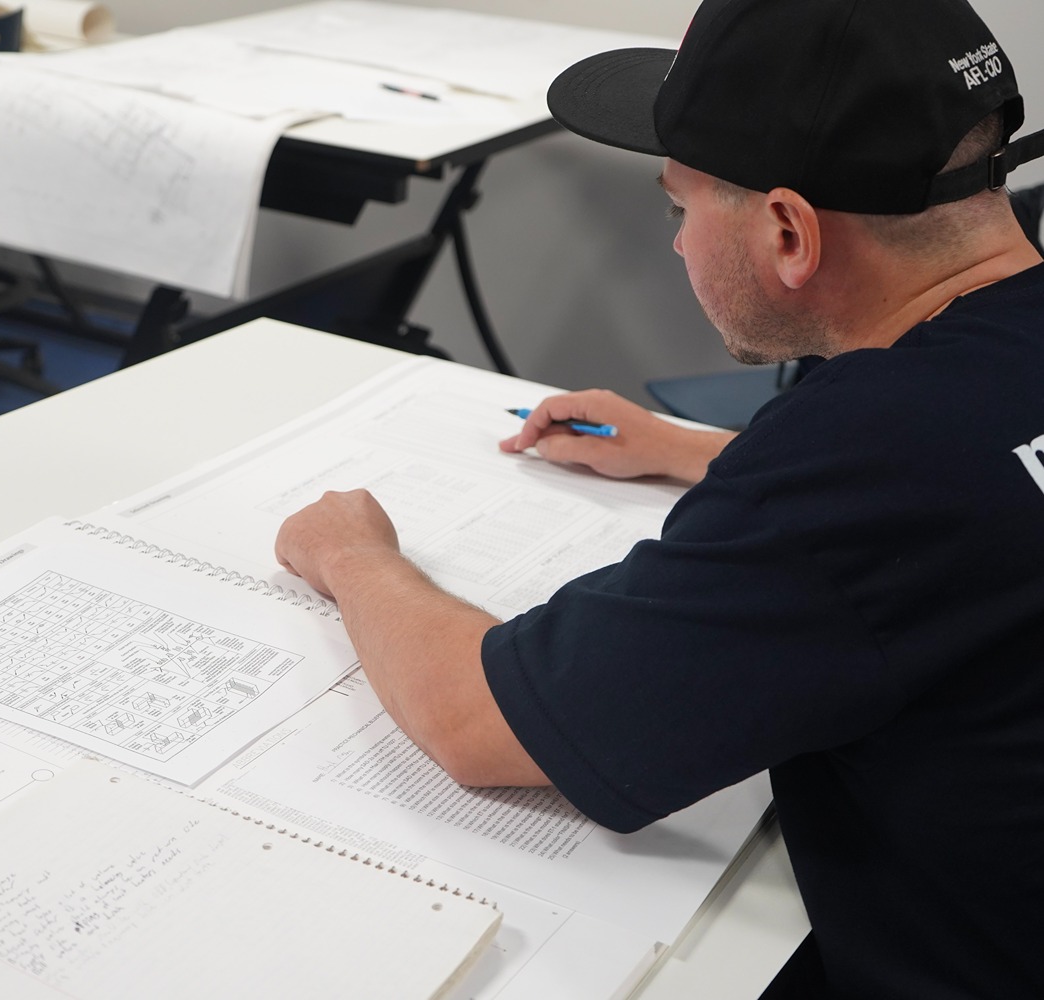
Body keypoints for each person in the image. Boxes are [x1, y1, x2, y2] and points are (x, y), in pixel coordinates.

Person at [273, 0, 1044, 996]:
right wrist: (691, 450)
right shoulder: (952, 403)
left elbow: (476, 722)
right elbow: (967, 496)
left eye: (678, 208)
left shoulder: (855, 464)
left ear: (788, 230)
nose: (677, 245)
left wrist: (352, 554)